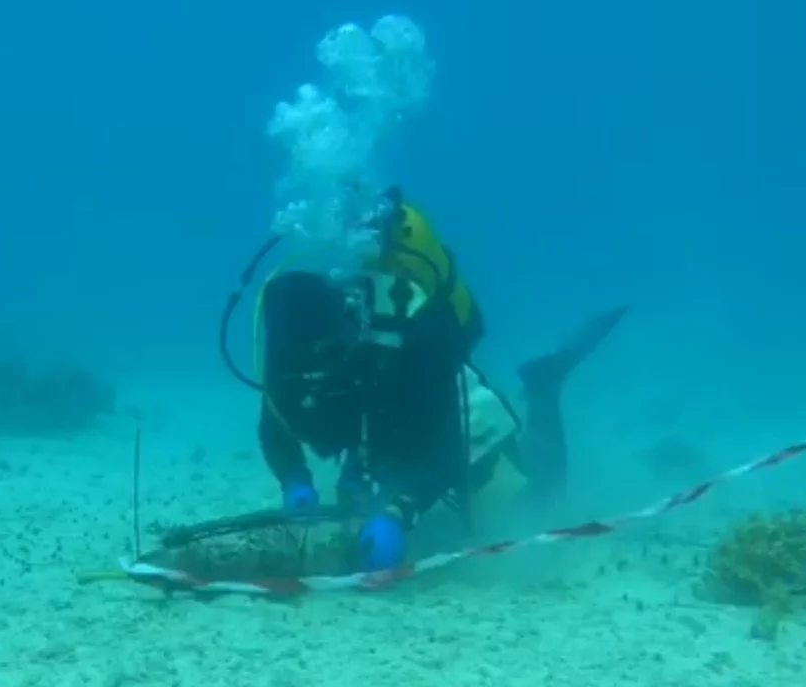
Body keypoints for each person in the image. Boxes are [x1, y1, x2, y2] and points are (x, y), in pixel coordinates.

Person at [257, 188, 626, 571]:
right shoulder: (289, 345)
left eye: (324, 355)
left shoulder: (414, 339)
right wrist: (295, 482)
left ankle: (544, 384)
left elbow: (445, 448)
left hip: (445, 407)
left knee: (541, 499)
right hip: (393, 433)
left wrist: (401, 509)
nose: (311, 370)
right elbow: (274, 426)